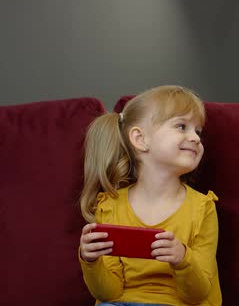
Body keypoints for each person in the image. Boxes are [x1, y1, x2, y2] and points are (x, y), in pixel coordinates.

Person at [78, 85, 221, 306]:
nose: (195, 138)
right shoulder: (110, 206)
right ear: (140, 139)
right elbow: (108, 293)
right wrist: (91, 260)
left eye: (198, 131)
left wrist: (182, 258)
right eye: (181, 126)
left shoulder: (203, 208)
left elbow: (199, 293)